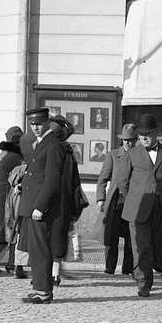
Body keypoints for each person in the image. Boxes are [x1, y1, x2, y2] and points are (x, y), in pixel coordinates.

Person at [116, 113, 162, 298]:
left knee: (154, 246)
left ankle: (149, 275)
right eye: (140, 135)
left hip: (161, 209)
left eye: (147, 134)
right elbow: (122, 180)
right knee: (141, 246)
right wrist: (134, 198)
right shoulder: (133, 154)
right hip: (138, 209)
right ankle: (143, 283)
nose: (143, 138)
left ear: (156, 133)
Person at [16, 107, 64, 304]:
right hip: (32, 203)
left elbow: (52, 179)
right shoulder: (42, 143)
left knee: (41, 250)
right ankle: (39, 288)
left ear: (47, 123)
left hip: (39, 208)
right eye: (32, 124)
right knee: (35, 250)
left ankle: (43, 291)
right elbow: (37, 174)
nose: (35, 127)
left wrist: (40, 206)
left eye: (39, 123)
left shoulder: (53, 145)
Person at [48, 116, 88, 286]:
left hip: (49, 201)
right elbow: (74, 182)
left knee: (47, 239)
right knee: (58, 239)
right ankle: (55, 274)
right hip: (63, 202)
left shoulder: (48, 149)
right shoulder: (68, 152)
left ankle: (50, 273)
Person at [95, 124, 137, 276]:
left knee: (130, 238)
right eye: (125, 140)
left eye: (130, 140)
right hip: (115, 202)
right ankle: (110, 267)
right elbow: (102, 179)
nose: (127, 143)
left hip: (132, 202)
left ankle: (127, 268)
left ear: (135, 140)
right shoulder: (113, 155)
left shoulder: (139, 156)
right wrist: (101, 198)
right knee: (111, 237)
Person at [0, 126, 23, 273]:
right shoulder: (15, 156)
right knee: (15, 230)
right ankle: (12, 263)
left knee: (5, 230)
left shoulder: (3, 154)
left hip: (3, 197)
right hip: (13, 198)